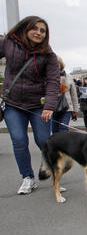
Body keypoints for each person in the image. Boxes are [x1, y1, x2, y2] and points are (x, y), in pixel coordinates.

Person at [0, 16, 60, 194]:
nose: (39, 33)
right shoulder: (8, 44)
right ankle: (27, 177)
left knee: (43, 140)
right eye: (35, 29)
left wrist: (49, 106)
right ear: (25, 29)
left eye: (43, 31)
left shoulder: (48, 55)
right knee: (19, 140)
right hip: (12, 104)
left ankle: (53, 170)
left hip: (37, 105)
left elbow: (53, 81)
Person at [52, 56, 79, 134]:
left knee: (63, 128)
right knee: (54, 129)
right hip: (53, 107)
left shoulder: (69, 77)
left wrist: (75, 109)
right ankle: (56, 146)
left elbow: (73, 95)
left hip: (66, 107)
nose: (56, 66)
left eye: (58, 64)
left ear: (61, 65)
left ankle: (63, 146)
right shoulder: (49, 76)